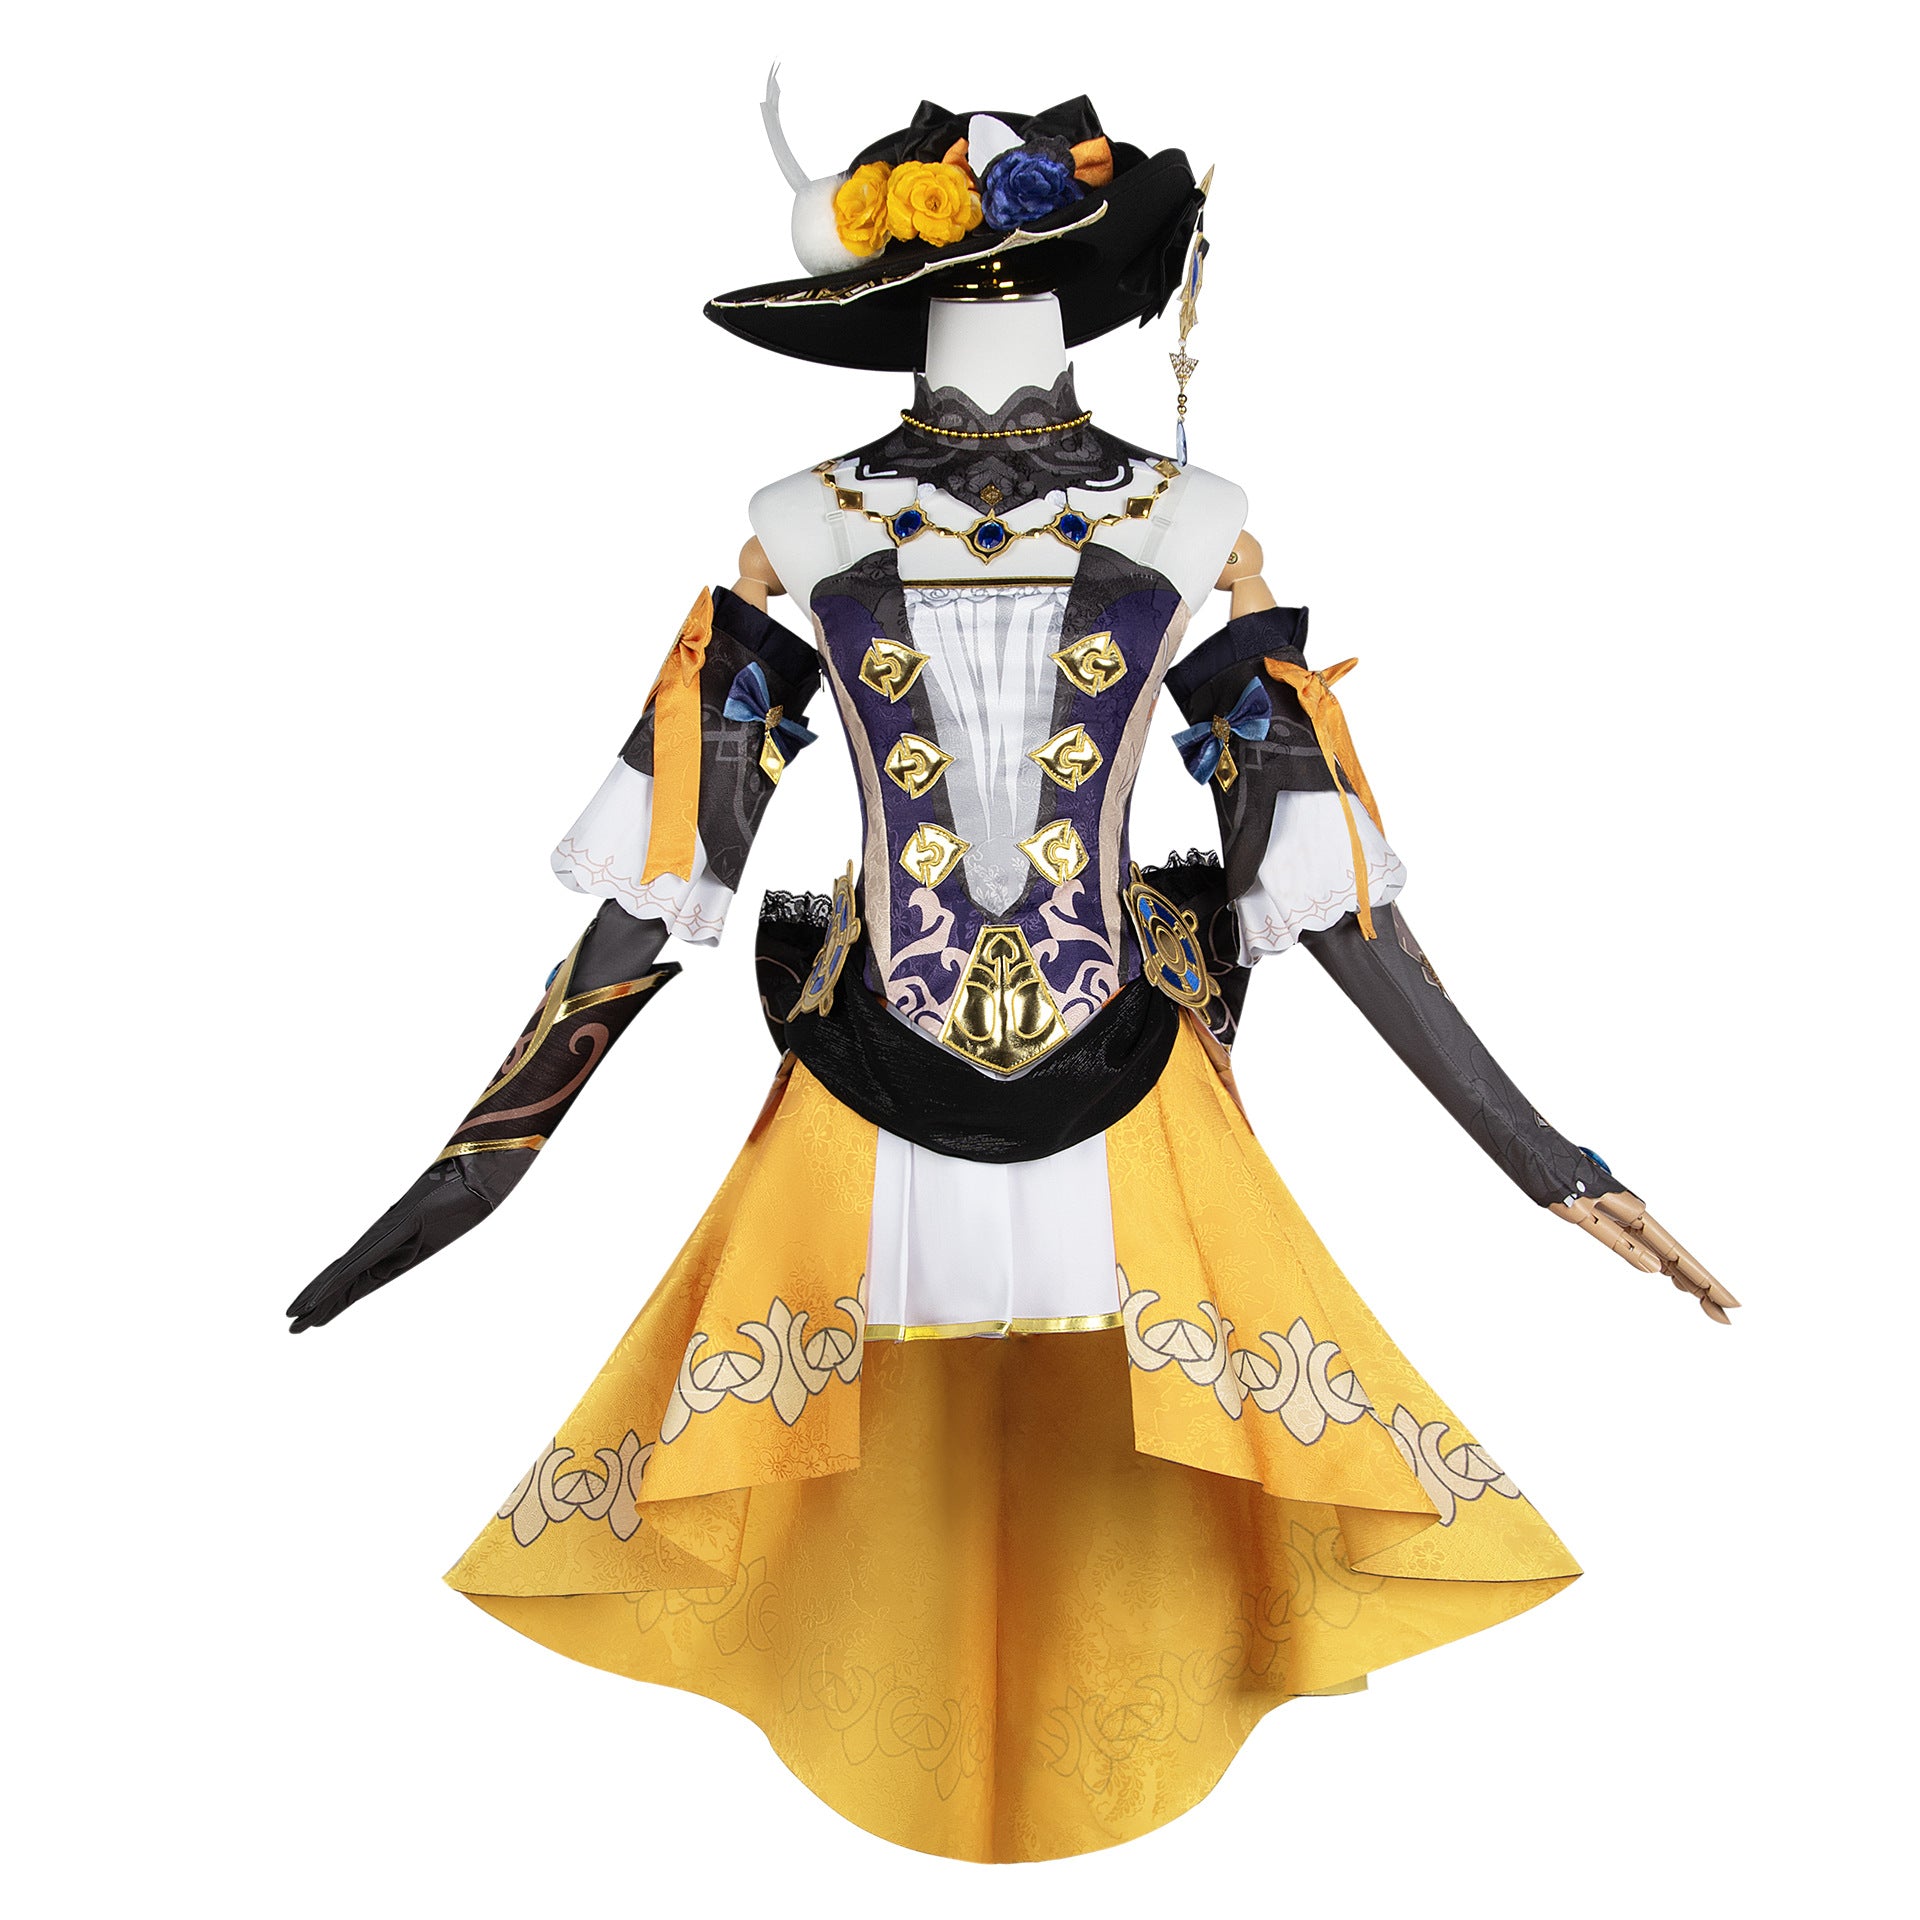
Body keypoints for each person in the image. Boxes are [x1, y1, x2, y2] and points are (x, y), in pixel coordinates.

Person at [288, 86, 1735, 1863]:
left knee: (1152, 1473)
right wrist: (466, 1179)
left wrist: (1550, 1166)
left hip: (1126, 1085)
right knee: (864, 1474)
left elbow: (1328, 892)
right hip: (866, 1098)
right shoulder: (801, 521)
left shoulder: (1191, 515)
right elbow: (668, 878)